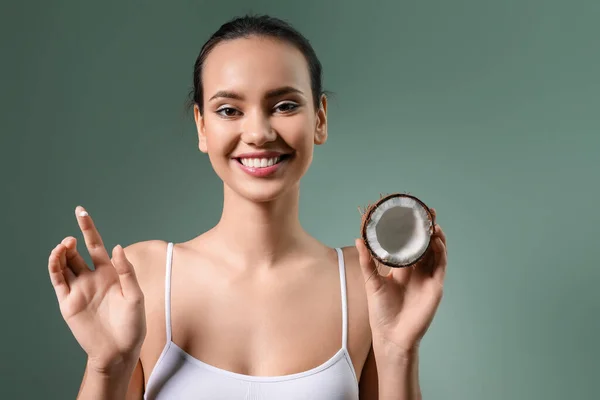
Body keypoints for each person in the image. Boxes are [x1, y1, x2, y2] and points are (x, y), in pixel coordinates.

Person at [47, 14, 447, 400]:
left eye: (285, 105)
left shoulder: (367, 285)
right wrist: (107, 365)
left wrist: (399, 351)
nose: (258, 133)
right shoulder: (142, 277)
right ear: (202, 127)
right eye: (229, 110)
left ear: (320, 119)